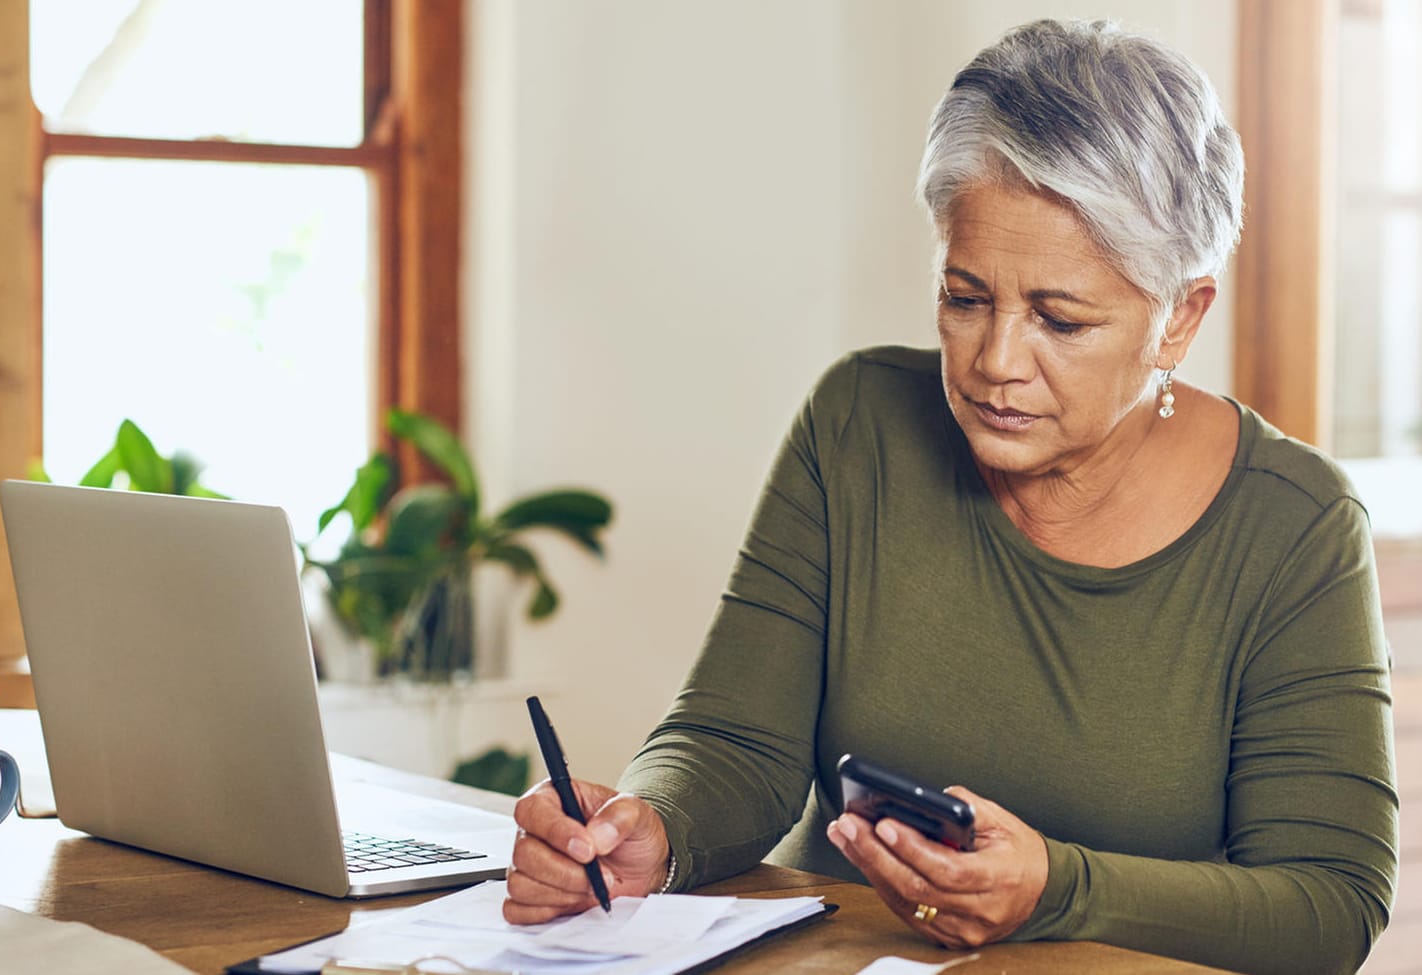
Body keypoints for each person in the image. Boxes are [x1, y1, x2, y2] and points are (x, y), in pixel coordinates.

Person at [502, 18, 1398, 975]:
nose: (995, 363)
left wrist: (1057, 887)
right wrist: (656, 826)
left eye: (1059, 318)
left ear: (1180, 315)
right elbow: (733, 738)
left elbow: (1330, 900)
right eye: (966, 298)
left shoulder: (1296, 523)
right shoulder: (858, 423)